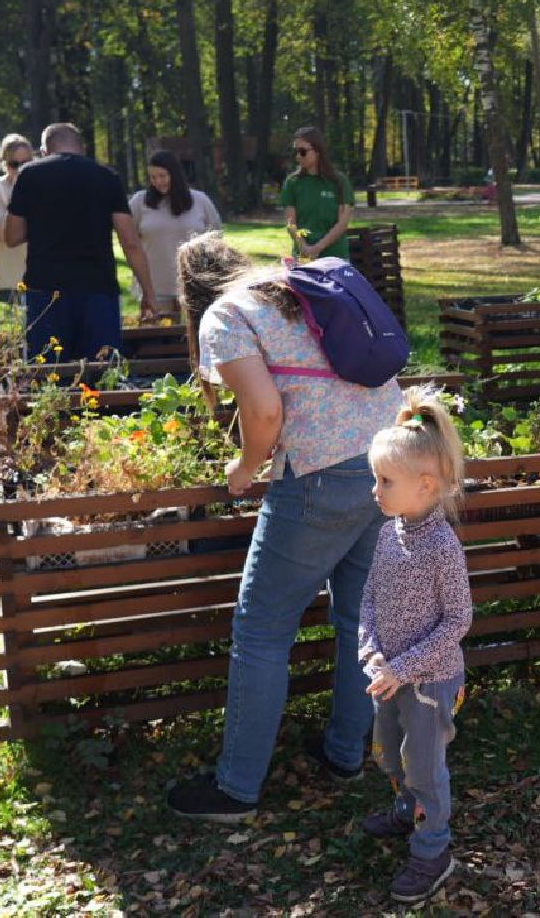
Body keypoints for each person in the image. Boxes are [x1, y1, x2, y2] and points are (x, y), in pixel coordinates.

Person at [166, 232, 404, 823]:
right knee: (358, 618)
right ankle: (347, 754)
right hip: (388, 463)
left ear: (190, 292)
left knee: (262, 632)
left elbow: (266, 412)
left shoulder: (224, 314)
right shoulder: (288, 287)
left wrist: (245, 469)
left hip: (321, 475)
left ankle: (236, 790)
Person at [358, 386, 472, 906]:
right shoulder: (388, 534)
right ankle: (407, 810)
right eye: (375, 478)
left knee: (426, 768)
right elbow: (368, 599)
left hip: (429, 682)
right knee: (391, 754)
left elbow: (457, 621)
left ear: (425, 485)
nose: (374, 490)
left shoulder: (442, 546)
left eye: (385, 481)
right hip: (390, 677)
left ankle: (433, 850)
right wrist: (372, 653)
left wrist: (404, 667)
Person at [3, 123, 157, 361]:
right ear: (83, 148)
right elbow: (130, 241)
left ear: (45, 151)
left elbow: (11, 237)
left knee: (48, 375)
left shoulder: (29, 175)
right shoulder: (107, 177)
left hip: (45, 288)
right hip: (98, 288)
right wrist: (148, 292)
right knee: (102, 374)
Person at [129, 150, 222, 315]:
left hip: (193, 286)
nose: (158, 181)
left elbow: (217, 240)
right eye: (153, 177)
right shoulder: (139, 202)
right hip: (153, 288)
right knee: (156, 337)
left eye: (163, 176)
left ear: (175, 174)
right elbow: (130, 241)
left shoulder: (200, 200)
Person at [281, 126, 354, 262]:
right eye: (295, 152)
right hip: (303, 258)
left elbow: (342, 223)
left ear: (318, 151)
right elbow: (291, 224)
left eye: (302, 152)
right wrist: (304, 248)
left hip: (335, 258)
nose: (297, 156)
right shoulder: (292, 182)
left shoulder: (340, 181)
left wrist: (318, 247)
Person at [0, 134, 33, 304]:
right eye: (14, 164)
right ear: (4, 165)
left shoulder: (45, 185)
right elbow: (4, 235)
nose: (20, 169)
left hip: (45, 277)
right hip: (11, 279)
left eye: (26, 163)